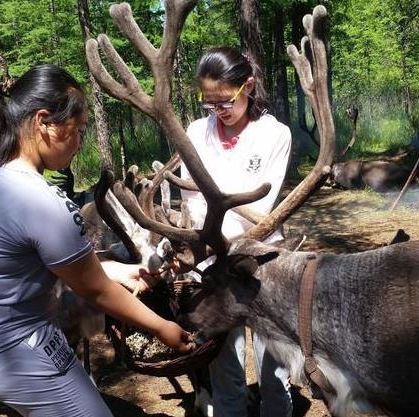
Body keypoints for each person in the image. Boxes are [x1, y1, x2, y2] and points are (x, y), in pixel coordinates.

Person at [0, 64, 194, 417]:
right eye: (76, 131)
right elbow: (96, 292)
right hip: (10, 347)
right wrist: (163, 327)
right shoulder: (37, 198)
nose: (78, 144)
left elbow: (41, 259)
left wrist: (121, 270)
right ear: (43, 121)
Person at [181, 47, 293, 417]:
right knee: (222, 360)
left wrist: (214, 222)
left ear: (248, 85)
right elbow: (190, 200)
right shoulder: (195, 133)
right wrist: (209, 237)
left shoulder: (275, 135)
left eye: (225, 100)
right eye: (208, 102)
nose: (218, 110)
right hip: (210, 263)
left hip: (259, 262)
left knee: (273, 361)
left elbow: (262, 210)